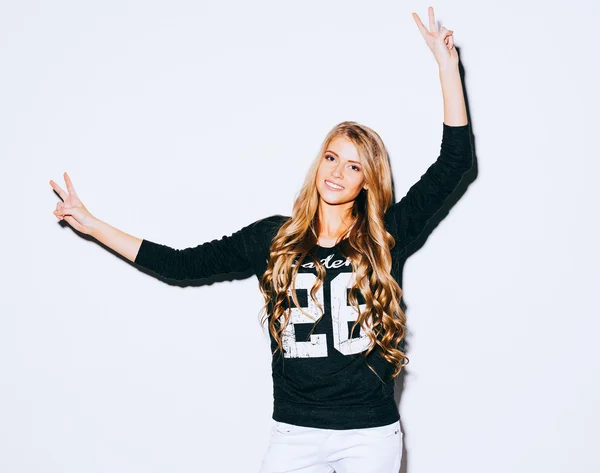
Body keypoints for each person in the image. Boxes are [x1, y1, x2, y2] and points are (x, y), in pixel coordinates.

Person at [50, 7, 472, 473]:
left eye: (353, 166)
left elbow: (454, 163)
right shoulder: (274, 238)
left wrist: (446, 65)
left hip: (369, 435)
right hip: (294, 434)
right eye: (332, 158)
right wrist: (93, 225)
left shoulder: (384, 235)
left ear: (367, 180)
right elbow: (181, 265)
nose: (337, 172)